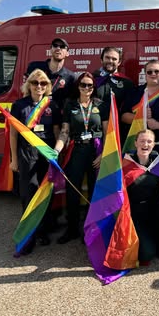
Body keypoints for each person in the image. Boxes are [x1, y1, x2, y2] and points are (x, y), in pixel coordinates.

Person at [9, 69, 62, 254]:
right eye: (35, 83)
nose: (39, 86)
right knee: (28, 193)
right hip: (27, 154)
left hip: (46, 155)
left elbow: (56, 132)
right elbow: (13, 134)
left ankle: (42, 231)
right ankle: (28, 236)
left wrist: (56, 156)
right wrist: (14, 159)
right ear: (29, 84)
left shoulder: (52, 105)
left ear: (47, 86)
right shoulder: (19, 105)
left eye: (43, 83)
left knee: (45, 192)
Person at [53, 72, 109, 244]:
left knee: (94, 192)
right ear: (78, 86)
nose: (86, 88)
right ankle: (72, 230)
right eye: (83, 85)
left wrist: (103, 154)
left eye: (90, 85)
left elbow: (108, 133)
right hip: (76, 150)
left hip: (96, 151)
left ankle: (92, 230)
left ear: (94, 88)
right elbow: (64, 132)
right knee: (72, 192)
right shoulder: (70, 105)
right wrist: (56, 150)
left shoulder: (101, 105)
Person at [117, 130, 159, 265]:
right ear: (135, 143)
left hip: (152, 210)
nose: (145, 144)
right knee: (146, 255)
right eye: (142, 141)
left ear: (153, 145)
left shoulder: (157, 161)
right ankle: (147, 241)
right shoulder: (124, 161)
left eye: (149, 141)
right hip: (133, 214)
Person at [121, 60, 159, 171]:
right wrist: (140, 117)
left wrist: (158, 125)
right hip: (137, 148)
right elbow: (123, 116)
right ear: (145, 74)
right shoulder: (135, 92)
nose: (153, 74)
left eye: (156, 71)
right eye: (149, 72)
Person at [26, 37, 76, 110]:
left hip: (56, 117)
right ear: (51, 50)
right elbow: (26, 90)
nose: (58, 48)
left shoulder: (70, 77)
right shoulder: (35, 67)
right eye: (55, 45)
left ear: (67, 53)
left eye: (62, 47)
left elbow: (71, 102)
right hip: (33, 113)